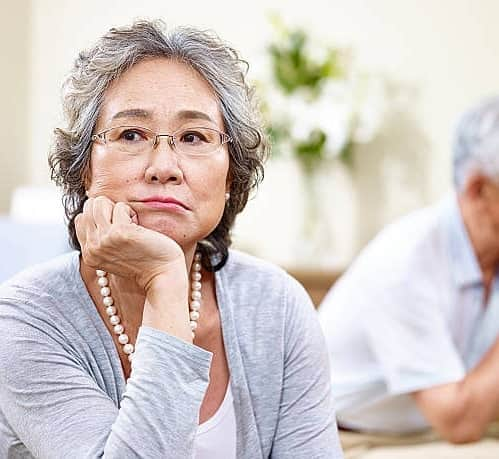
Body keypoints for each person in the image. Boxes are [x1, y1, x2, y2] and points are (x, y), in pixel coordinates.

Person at [0, 20, 343, 458]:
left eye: (193, 137)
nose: (164, 165)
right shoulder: (23, 319)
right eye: (131, 135)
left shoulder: (277, 306)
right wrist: (164, 281)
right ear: (85, 169)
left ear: (230, 176)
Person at [319, 96, 499, 458]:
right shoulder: (405, 262)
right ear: (479, 188)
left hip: (438, 432)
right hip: (354, 438)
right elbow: (458, 421)